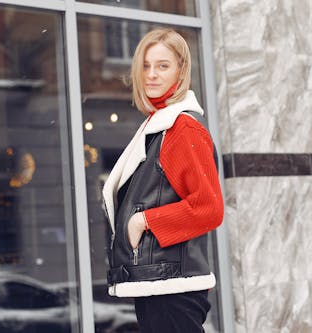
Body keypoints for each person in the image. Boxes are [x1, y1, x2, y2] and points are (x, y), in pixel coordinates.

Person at [102, 29, 224, 332]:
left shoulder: (182, 128)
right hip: (157, 283)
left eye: (163, 66)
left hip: (171, 288)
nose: (151, 75)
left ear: (181, 71)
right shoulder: (158, 127)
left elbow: (209, 207)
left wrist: (143, 221)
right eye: (145, 66)